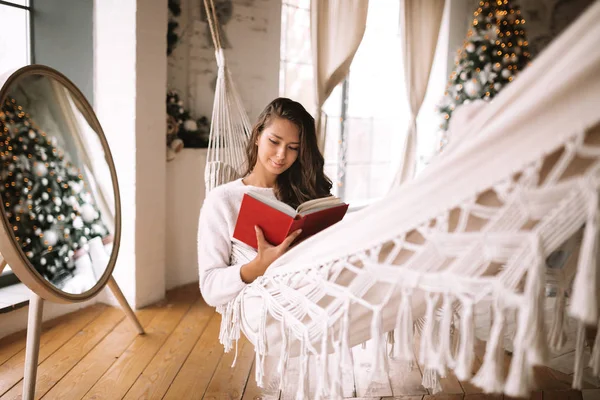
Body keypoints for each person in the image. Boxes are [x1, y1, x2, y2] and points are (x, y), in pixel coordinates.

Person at [197, 97, 332, 307]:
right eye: (274, 141)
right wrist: (256, 268)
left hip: (315, 297)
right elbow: (210, 288)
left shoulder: (305, 195)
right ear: (258, 135)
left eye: (293, 147)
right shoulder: (223, 200)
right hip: (272, 309)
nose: (281, 155)